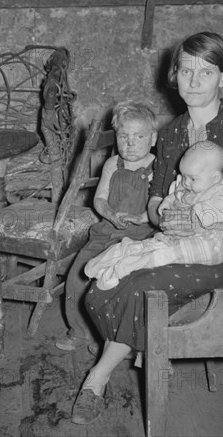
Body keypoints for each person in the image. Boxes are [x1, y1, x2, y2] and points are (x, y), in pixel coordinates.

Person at [70, 31, 223, 425]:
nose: (194, 81)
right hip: (175, 235)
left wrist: (201, 219)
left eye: (207, 72)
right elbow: (155, 201)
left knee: (139, 286)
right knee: (102, 285)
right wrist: (166, 219)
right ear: (173, 75)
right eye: (186, 70)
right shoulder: (172, 134)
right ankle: (144, 344)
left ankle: (97, 377)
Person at [85, 141, 223, 290]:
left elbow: (219, 209)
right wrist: (168, 201)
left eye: (192, 179)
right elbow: (179, 194)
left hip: (211, 243)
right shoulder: (195, 183)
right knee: (156, 243)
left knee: (167, 253)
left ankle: (125, 266)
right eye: (184, 176)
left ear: (215, 177)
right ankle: (124, 250)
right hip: (183, 236)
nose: (185, 182)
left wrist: (192, 215)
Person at [55, 101, 156, 352]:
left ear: (152, 138)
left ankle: (115, 339)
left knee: (120, 282)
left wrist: (144, 217)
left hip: (140, 235)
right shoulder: (112, 164)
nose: (130, 143)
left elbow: (162, 205)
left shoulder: (157, 167)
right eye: (123, 136)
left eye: (139, 136)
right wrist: (110, 213)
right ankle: (80, 331)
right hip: (107, 231)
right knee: (79, 275)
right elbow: (99, 199)